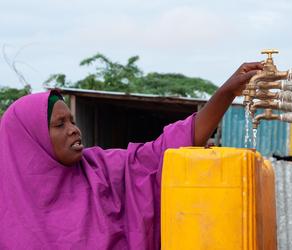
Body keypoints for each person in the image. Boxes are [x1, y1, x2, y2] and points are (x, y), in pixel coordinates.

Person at [0, 62, 263, 249]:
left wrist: (227, 92)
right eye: (60, 125)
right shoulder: (7, 213)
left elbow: (166, 152)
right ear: (31, 141)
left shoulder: (101, 169)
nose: (74, 130)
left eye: (72, 120)